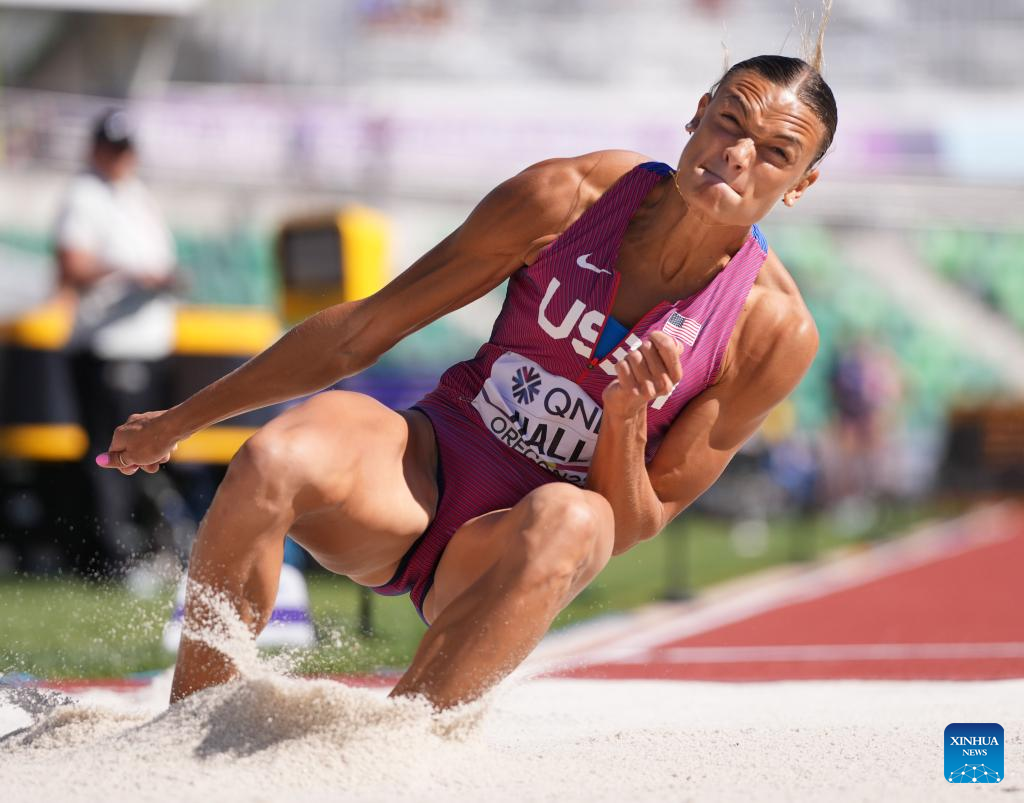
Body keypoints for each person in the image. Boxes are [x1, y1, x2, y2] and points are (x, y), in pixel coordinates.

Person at [97, 50, 836, 710]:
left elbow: (639, 521)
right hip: (421, 470)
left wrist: (625, 418)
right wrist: (181, 420)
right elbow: (365, 328)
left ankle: (399, 746)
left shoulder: (771, 331)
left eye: (775, 153)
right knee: (273, 456)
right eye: (729, 121)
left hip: (510, 549)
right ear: (697, 113)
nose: (739, 154)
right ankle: (192, 723)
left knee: (576, 519)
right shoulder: (568, 197)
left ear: (800, 185)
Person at [56, 109, 183, 572]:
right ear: (96, 149)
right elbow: (71, 267)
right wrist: (129, 274)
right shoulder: (84, 195)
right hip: (109, 345)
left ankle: (142, 551)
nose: (120, 157)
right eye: (113, 148)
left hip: (147, 345)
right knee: (113, 457)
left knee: (147, 455)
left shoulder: (136, 194)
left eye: (126, 148)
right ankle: (110, 558)